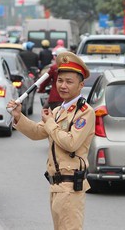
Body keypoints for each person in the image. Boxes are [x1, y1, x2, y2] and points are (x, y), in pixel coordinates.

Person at [7, 51, 95, 230]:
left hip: (71, 186)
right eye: (60, 81)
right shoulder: (59, 111)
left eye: (69, 82)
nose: (63, 86)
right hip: (56, 185)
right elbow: (37, 132)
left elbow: (71, 143)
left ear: (81, 85)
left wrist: (50, 124)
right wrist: (19, 116)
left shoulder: (85, 112)